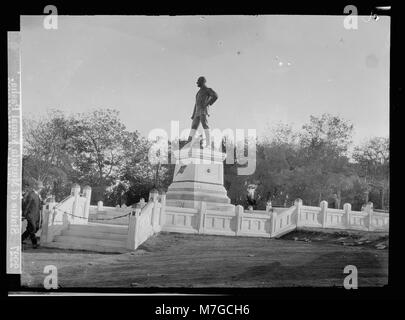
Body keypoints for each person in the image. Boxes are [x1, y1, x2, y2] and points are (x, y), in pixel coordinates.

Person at [187, 76, 218, 148]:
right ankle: (188, 144)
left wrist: (208, 103)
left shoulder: (207, 90)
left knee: (205, 125)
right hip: (197, 112)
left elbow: (215, 96)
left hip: (203, 110)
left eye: (198, 81)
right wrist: (193, 114)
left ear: (202, 82)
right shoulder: (198, 93)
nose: (197, 83)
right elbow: (196, 104)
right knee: (193, 127)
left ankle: (208, 144)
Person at [22, 181, 44, 248]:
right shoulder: (31, 194)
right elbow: (27, 205)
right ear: (37, 187)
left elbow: (39, 206)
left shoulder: (38, 195)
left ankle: (20, 239)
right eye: (40, 188)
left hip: (36, 216)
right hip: (30, 215)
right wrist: (24, 215)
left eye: (41, 188)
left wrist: (42, 201)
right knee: (32, 229)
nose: (41, 189)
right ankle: (34, 244)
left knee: (32, 229)